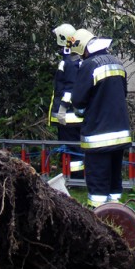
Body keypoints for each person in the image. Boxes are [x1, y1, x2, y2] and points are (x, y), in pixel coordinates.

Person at [70, 28, 132, 207]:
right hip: (120, 134)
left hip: (98, 137)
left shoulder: (89, 66)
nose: (80, 58)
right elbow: (124, 94)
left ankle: (99, 218)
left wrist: (81, 114)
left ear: (84, 49)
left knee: (98, 183)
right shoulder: (117, 63)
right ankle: (118, 216)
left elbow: (78, 101)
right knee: (114, 181)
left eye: (80, 54)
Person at [48, 23, 84, 176]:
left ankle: (75, 179)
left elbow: (69, 89)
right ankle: (73, 176)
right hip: (72, 116)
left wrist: (62, 109)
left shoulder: (68, 62)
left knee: (71, 149)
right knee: (72, 148)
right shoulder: (74, 59)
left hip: (68, 117)